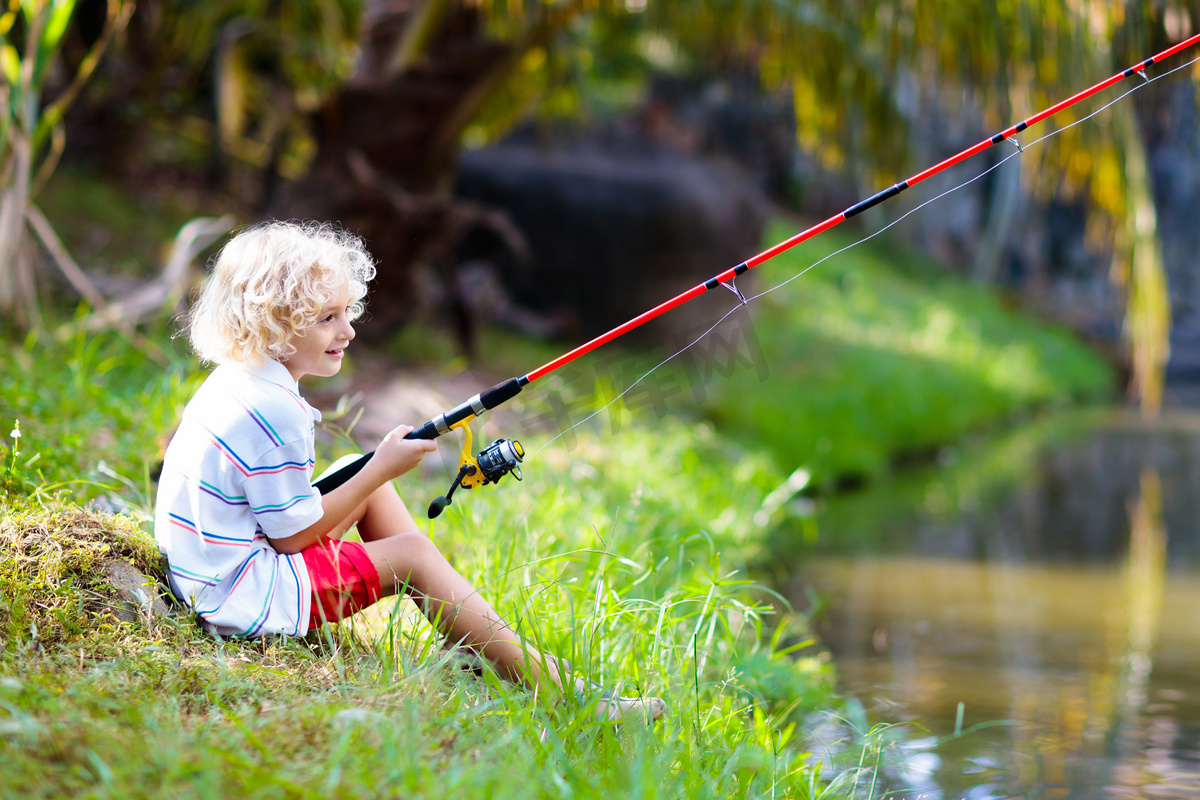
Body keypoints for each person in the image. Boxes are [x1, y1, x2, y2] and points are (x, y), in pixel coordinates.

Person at [154, 220, 664, 722]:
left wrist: (369, 472)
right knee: (411, 553)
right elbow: (290, 539)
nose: (348, 330)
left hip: (208, 571)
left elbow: (277, 515)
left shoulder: (239, 380)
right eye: (327, 318)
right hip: (242, 598)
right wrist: (381, 469)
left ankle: (475, 643)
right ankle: (560, 694)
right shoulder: (274, 411)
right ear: (275, 323)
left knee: (356, 470)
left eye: (346, 311)